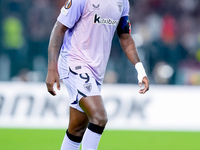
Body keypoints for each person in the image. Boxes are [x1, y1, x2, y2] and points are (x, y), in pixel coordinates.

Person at [45, 0, 149, 149]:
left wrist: (140, 69)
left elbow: (125, 37)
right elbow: (58, 29)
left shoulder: (123, 2)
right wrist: (51, 69)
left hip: (96, 71)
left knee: (76, 129)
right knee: (99, 117)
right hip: (74, 62)